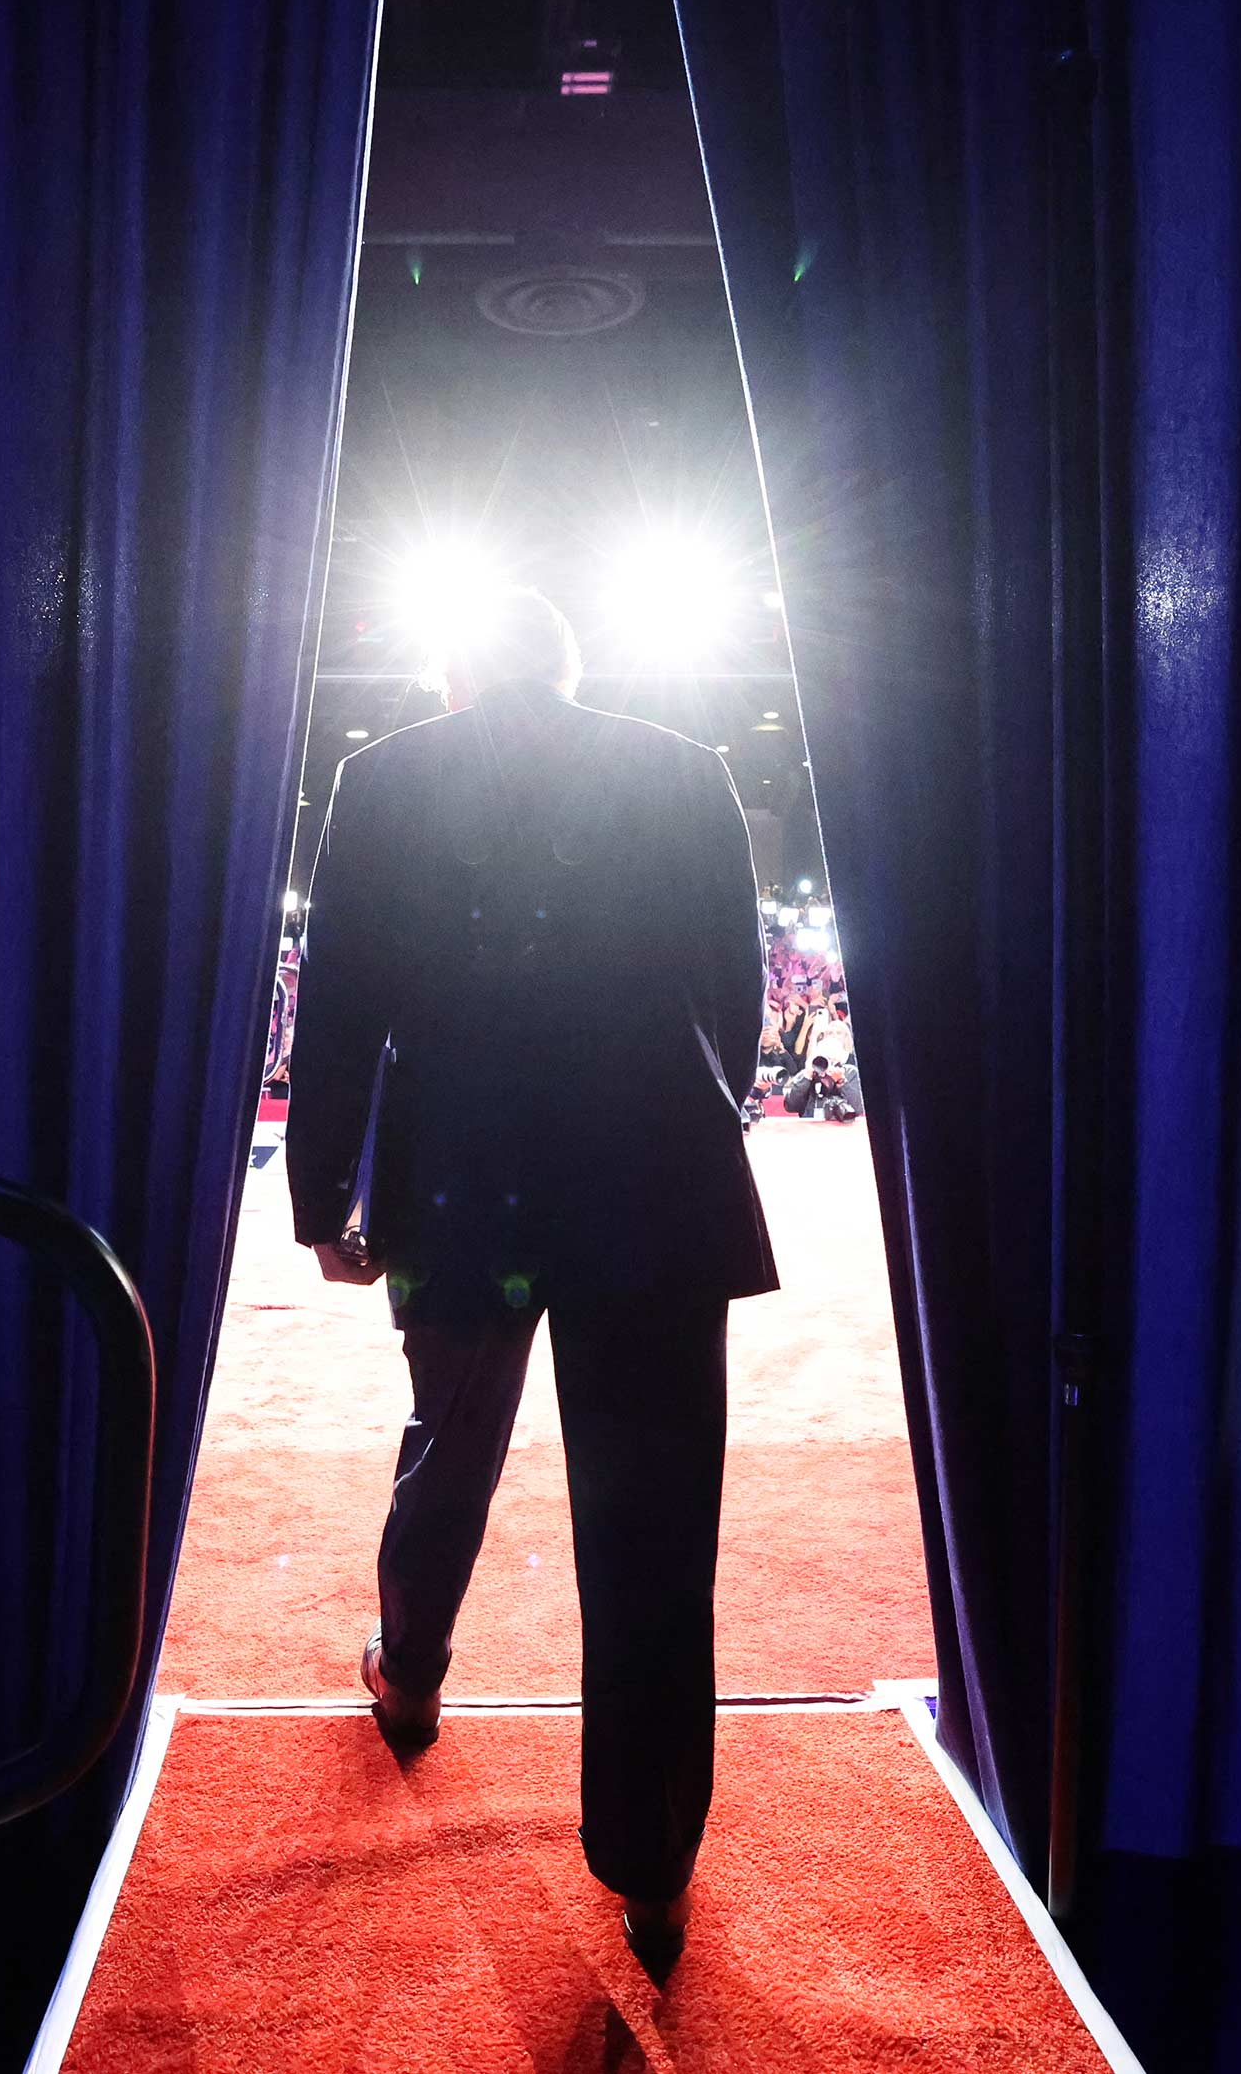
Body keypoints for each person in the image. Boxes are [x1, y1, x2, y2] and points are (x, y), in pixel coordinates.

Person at [286, 585, 777, 1969]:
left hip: (461, 1184)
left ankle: (412, 1682)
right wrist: (688, 1125)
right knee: (656, 1533)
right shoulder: (687, 772)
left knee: (448, 1443)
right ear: (573, 672)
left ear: (454, 675)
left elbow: (338, 1007)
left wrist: (325, 1193)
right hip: (652, 1186)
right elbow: (731, 1001)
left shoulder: (384, 779)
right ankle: (653, 1863)